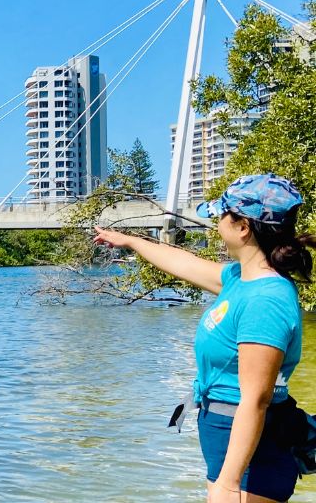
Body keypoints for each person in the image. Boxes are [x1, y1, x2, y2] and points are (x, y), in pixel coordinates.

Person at [93, 173, 314, 502]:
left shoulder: (265, 300)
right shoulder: (241, 279)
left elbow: (256, 400)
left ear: (242, 227)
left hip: (253, 454)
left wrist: (228, 483)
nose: (217, 223)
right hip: (228, 440)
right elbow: (185, 263)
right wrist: (131, 241)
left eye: (223, 215)